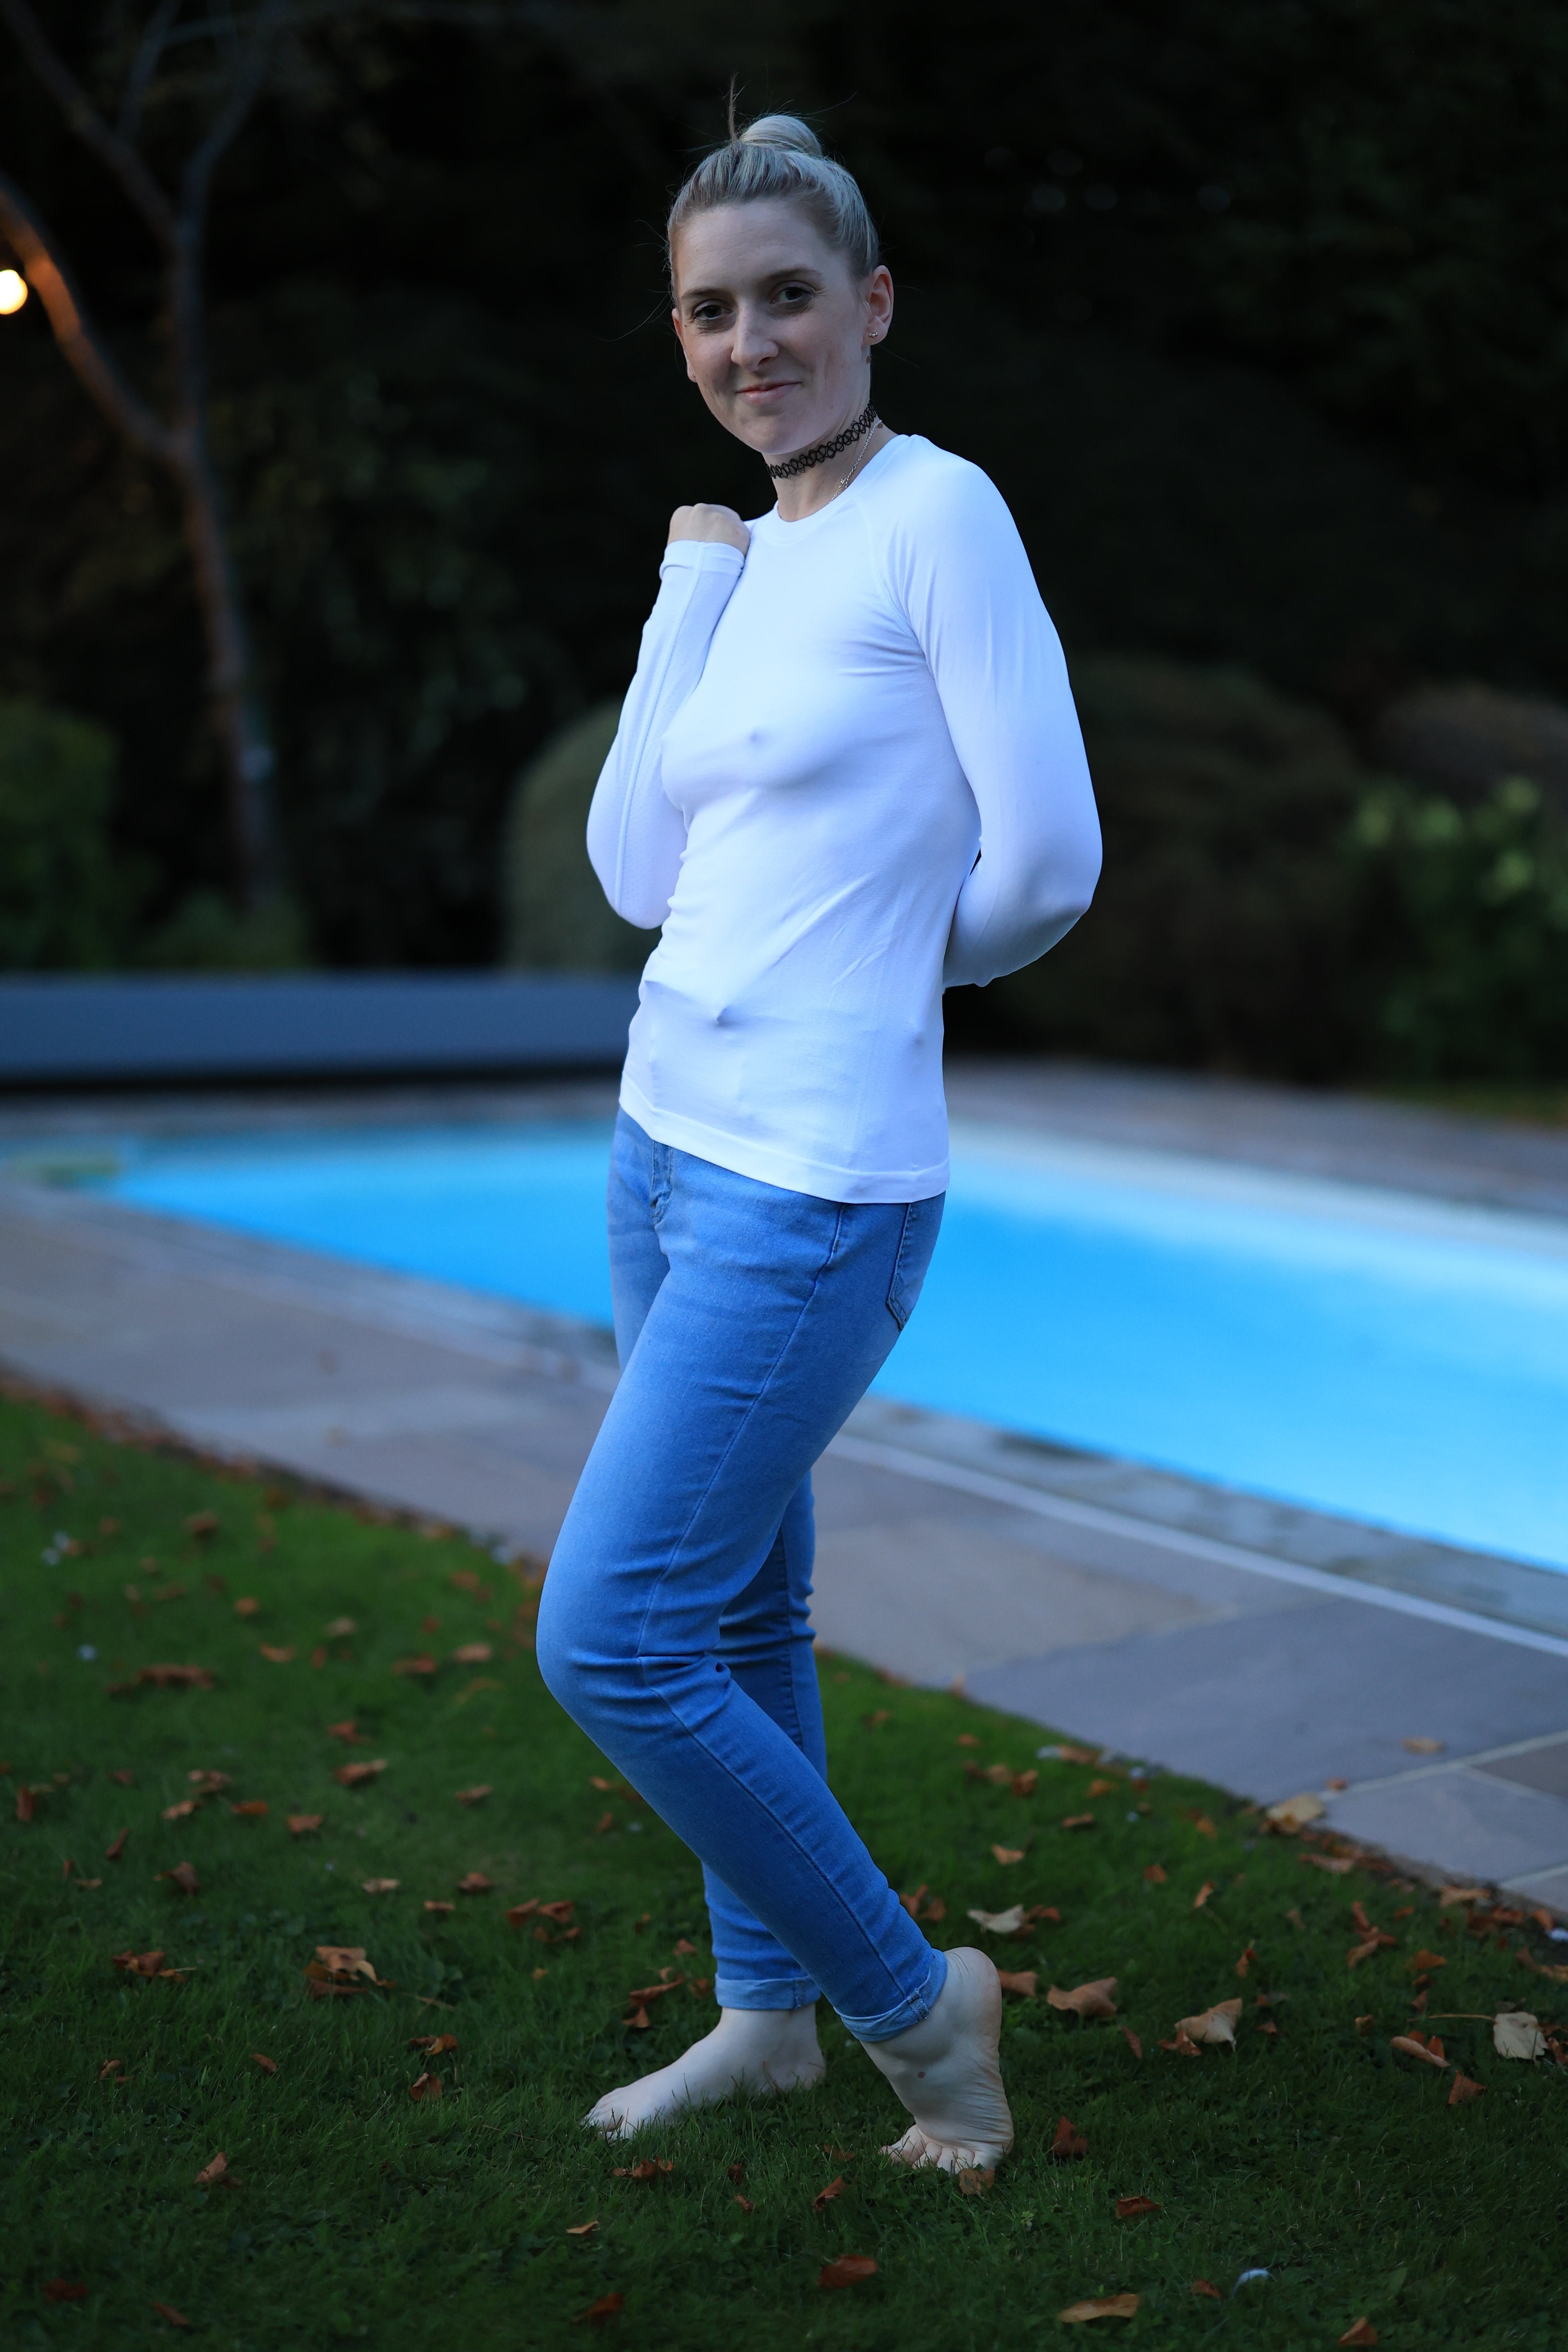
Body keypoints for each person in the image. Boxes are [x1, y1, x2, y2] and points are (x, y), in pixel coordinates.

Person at [535, 111, 1100, 2172]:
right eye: (711, 311)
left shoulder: (942, 514)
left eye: (788, 296)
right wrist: (690, 581)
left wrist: (880, 967)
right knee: (736, 1621)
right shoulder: (753, 557)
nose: (750, 341)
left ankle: (913, 2008)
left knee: (612, 1635)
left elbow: (1049, 858)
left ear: (871, 302)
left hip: (813, 1183)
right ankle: (762, 2017)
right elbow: (633, 869)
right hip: (662, 1145)